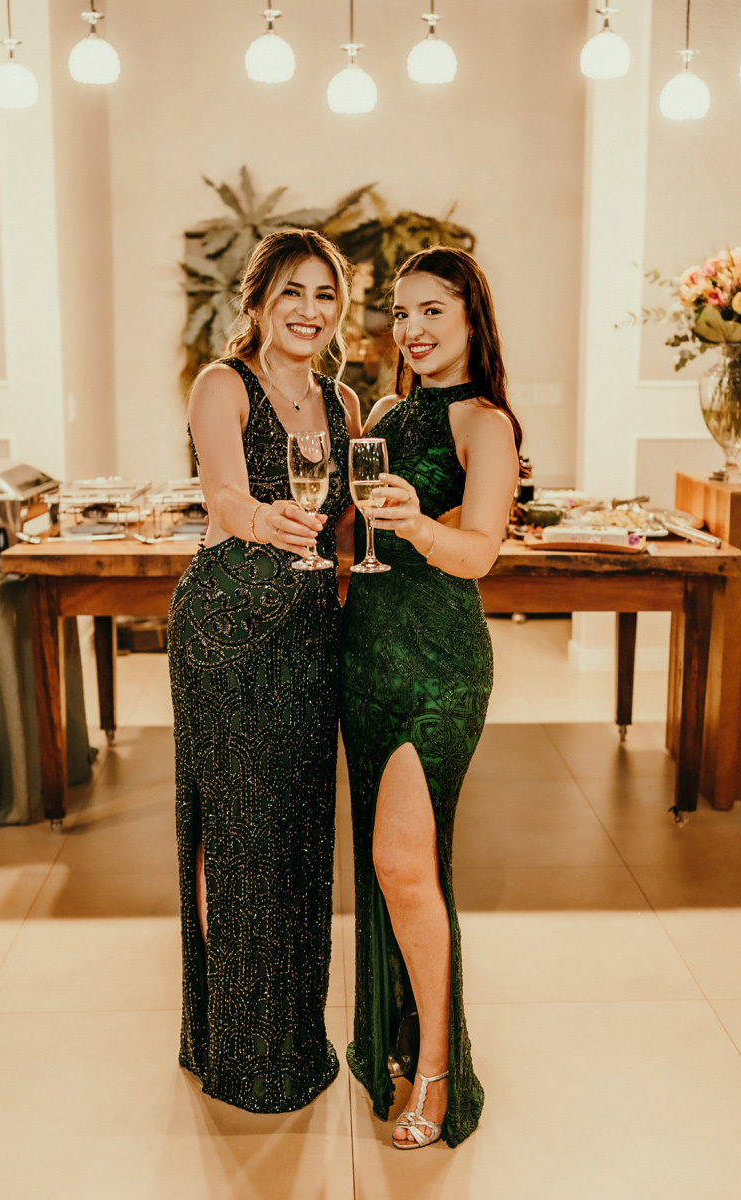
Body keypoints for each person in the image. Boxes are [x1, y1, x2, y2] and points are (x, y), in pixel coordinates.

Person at [168, 229, 361, 1113]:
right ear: (256, 301)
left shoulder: (343, 402)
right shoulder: (224, 384)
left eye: (325, 294)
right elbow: (221, 493)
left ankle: (292, 1036)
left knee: (299, 835)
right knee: (239, 835)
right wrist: (263, 521)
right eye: (292, 292)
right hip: (229, 629)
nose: (309, 311)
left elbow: (347, 524)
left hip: (310, 635)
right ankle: (237, 1047)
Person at [340, 246, 522, 1148]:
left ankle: (441, 1070)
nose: (411, 329)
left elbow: (480, 552)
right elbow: (349, 536)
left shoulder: (486, 425)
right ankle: (399, 1039)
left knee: (405, 863)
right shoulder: (384, 414)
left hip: (441, 663)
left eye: (431, 311)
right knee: (389, 865)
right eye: (401, 312)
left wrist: (415, 522)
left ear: (470, 317)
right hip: (366, 655)